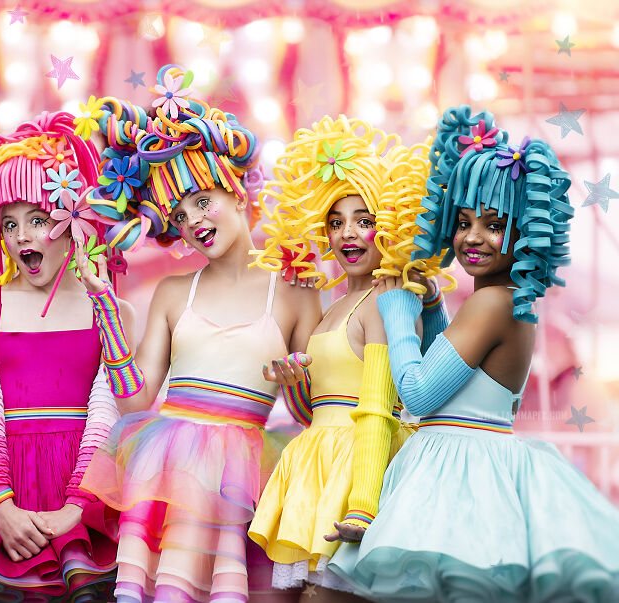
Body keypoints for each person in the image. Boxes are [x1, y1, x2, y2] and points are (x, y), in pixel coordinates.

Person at [329, 105, 619, 602]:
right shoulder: (506, 301)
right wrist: (436, 306)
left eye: (492, 224)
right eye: (462, 222)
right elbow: (458, 376)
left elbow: (419, 393)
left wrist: (397, 309)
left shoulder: (490, 302)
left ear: (527, 230)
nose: (472, 238)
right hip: (465, 461)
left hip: (461, 478)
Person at [73, 65, 321, 602]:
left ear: (237, 193)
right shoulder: (171, 292)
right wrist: (105, 306)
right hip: (169, 467)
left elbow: (309, 414)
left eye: (203, 202)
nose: (194, 222)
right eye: (181, 216)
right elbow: (136, 398)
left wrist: (297, 380)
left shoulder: (296, 290)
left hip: (247, 475)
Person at [0, 113, 126, 602]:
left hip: (82, 480)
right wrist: (0, 506)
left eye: (37, 220)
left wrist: (77, 507)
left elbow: (110, 410)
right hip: (2, 474)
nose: (21, 236)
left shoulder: (110, 307)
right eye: (10, 224)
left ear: (74, 221)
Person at [247, 115, 446, 600]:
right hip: (317, 463)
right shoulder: (333, 303)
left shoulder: (387, 299)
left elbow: (379, 406)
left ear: (390, 227)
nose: (347, 234)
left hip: (360, 467)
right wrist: (292, 381)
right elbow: (311, 411)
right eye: (336, 222)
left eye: (364, 220)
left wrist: (363, 505)